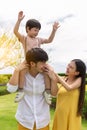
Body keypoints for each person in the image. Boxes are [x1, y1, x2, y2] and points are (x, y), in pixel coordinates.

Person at [13, 11, 60, 104]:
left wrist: (54, 30)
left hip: (39, 61)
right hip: (28, 60)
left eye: (38, 30)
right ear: (28, 29)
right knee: (22, 71)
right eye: (35, 30)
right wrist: (18, 21)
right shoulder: (24, 38)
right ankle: (21, 91)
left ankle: (47, 92)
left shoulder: (39, 40)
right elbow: (15, 31)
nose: (37, 32)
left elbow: (49, 40)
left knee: (48, 71)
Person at [7, 48, 58, 130]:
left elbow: (54, 94)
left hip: (42, 121)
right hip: (25, 120)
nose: (45, 65)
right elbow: (11, 89)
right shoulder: (22, 74)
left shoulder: (46, 75)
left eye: (45, 62)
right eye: (42, 63)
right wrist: (16, 71)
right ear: (32, 63)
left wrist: (53, 79)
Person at [45, 59, 86, 130]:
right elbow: (54, 93)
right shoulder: (64, 80)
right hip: (60, 114)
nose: (67, 67)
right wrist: (52, 77)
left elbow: (69, 88)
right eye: (68, 65)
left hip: (72, 115)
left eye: (71, 67)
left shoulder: (79, 80)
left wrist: (56, 75)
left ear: (77, 72)